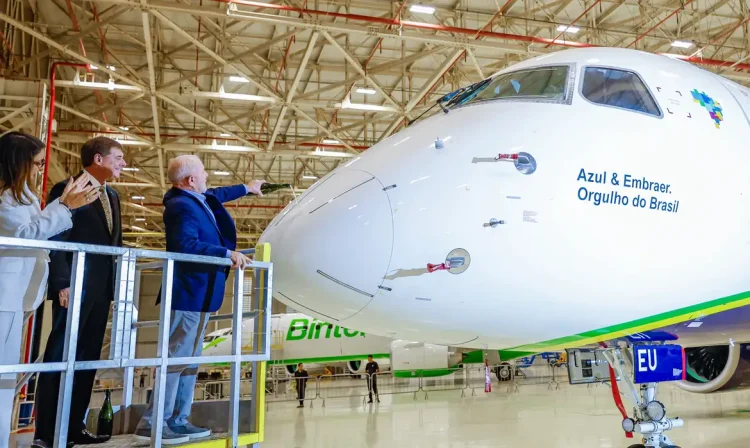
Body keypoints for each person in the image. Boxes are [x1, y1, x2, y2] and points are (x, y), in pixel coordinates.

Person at [134, 155, 265, 444]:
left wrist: (247, 188)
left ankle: (178, 419)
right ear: (191, 180)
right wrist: (226, 253)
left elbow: (217, 194)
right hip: (189, 292)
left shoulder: (195, 197)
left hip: (203, 292)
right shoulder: (181, 206)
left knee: (189, 360)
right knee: (176, 358)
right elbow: (185, 244)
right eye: (204, 173)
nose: (207, 177)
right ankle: (155, 422)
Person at [0, 132, 99, 448]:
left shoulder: (22, 194)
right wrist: (65, 207)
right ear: (20, 162)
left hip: (18, 294)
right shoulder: (4, 197)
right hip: (5, 295)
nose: (41, 169)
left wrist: (61, 206)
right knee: (3, 376)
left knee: (6, 378)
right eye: (38, 163)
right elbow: (29, 234)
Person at [33, 136, 126, 448]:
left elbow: (115, 245)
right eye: (118, 157)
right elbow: (57, 237)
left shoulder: (111, 195)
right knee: (60, 356)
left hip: (100, 290)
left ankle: (74, 427)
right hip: (73, 287)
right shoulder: (67, 189)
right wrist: (61, 282)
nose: (122, 163)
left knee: (87, 358)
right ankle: (46, 433)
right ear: (97, 159)